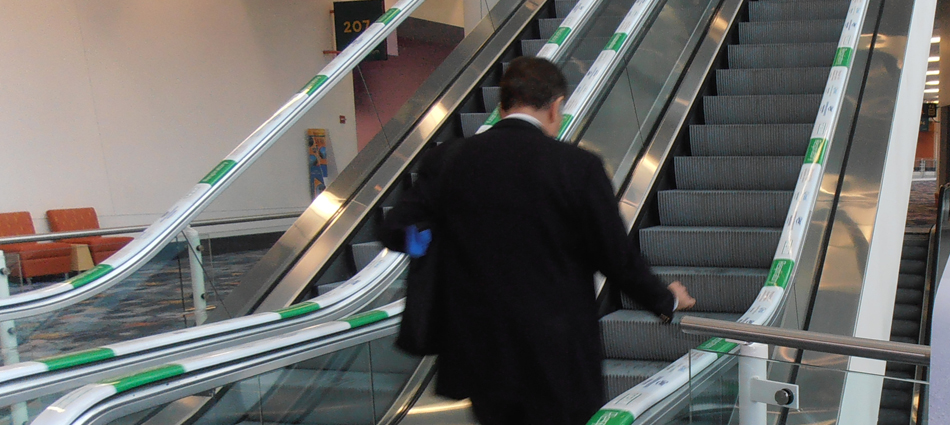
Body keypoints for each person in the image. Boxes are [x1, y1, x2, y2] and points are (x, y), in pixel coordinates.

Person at [379, 57, 695, 425]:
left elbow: (395, 230)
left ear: (502, 106)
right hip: (557, 358)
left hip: (480, 353)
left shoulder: (448, 160)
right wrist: (665, 298)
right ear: (556, 106)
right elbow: (615, 257)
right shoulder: (577, 167)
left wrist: (435, 243)